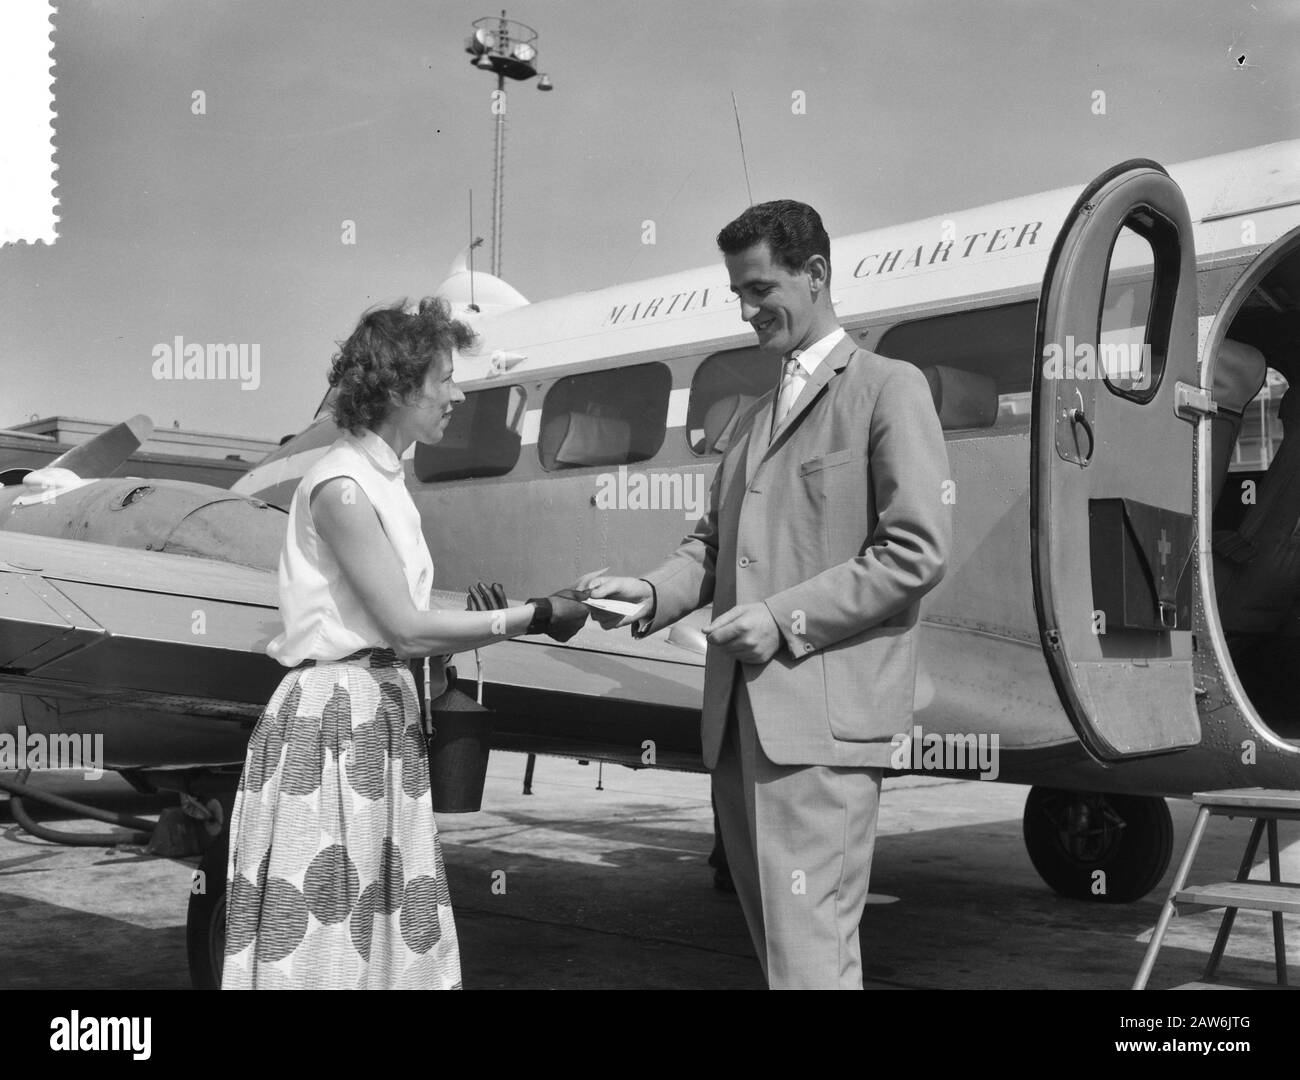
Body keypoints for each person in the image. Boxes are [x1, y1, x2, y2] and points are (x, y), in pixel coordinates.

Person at [579, 200, 951, 989]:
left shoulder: (888, 388)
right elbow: (709, 548)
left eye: (759, 289)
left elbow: (915, 552)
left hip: (821, 729)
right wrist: (648, 592)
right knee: (786, 959)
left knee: (810, 958)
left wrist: (782, 620)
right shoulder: (751, 417)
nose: (747, 312)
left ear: (815, 274)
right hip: (740, 727)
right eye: (738, 294)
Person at [222, 297, 586, 990]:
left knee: (375, 932)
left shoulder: (385, 483)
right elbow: (404, 626)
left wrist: (476, 630)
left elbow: (406, 636)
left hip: (377, 715)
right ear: (395, 385)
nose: (457, 393)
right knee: (326, 936)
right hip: (334, 724)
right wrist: (532, 614)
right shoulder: (341, 484)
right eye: (442, 378)